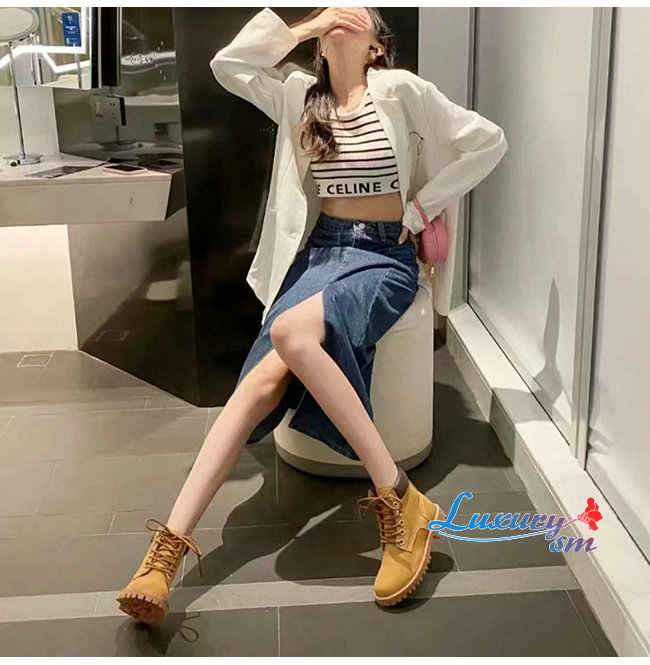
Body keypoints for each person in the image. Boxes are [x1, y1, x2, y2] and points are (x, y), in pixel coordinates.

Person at [116, 6, 507, 625]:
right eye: (333, 13)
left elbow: (489, 141)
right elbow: (228, 64)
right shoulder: (300, 94)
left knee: (288, 331)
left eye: (359, 14)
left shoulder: (402, 90)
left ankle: (397, 498)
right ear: (321, 45)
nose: (343, 14)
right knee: (257, 385)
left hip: (383, 258)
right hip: (320, 254)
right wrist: (302, 28)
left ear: (377, 46)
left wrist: (420, 209)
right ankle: (164, 556)